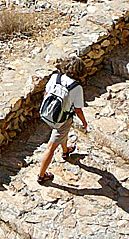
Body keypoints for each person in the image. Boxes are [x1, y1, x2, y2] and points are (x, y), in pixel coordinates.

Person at [37, 56, 88, 184]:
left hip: (47, 114)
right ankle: (41, 176)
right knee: (50, 148)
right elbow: (78, 110)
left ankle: (66, 151)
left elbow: (46, 93)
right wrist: (84, 122)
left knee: (61, 135)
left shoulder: (55, 77)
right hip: (62, 120)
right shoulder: (76, 88)